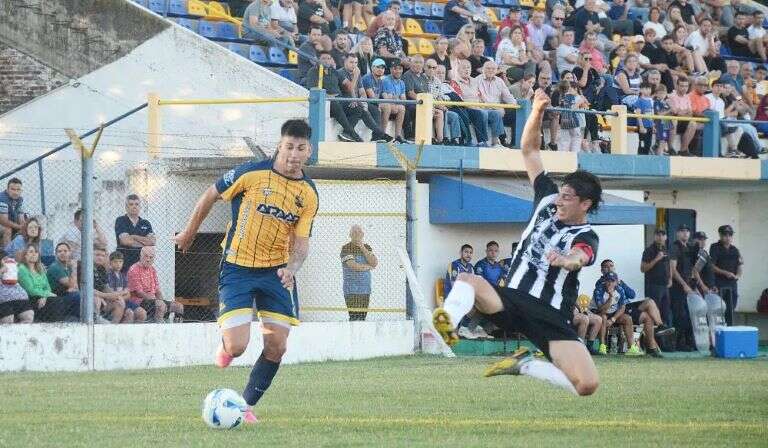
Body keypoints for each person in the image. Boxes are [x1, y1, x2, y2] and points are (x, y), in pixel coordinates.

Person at [433, 89, 601, 396]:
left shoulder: (586, 235)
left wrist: (567, 261)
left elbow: (582, 256)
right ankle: (448, 325)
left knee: (587, 385)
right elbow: (529, 151)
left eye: (568, 197)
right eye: (561, 193)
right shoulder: (547, 198)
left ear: (585, 204)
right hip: (513, 298)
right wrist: (536, 111)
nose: (560, 199)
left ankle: (525, 364)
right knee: (469, 279)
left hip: (550, 315)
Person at [174, 119, 319, 422]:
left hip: (277, 272)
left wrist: (293, 268)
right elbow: (210, 194)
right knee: (238, 347)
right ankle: (228, 346)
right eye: (289, 146)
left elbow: (302, 243)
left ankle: (244, 405)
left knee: (277, 346)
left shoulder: (308, 194)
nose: (293, 154)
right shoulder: (251, 173)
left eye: (300, 148)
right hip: (238, 267)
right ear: (280, 145)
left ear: (309, 151)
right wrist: (189, 233)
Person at [337, 53, 393, 143]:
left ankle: (376, 136)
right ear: (345, 62)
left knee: (374, 109)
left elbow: (362, 91)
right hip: (343, 100)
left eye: (356, 63)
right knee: (360, 109)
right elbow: (349, 88)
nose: (354, 65)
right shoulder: (340, 73)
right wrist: (355, 76)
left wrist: (364, 101)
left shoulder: (356, 73)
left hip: (355, 100)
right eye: (351, 62)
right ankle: (379, 134)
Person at [591, 272, 643, 356]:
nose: (610, 283)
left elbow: (622, 307)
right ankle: (602, 346)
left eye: (612, 281)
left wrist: (613, 319)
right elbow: (601, 310)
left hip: (612, 313)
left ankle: (631, 348)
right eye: (608, 280)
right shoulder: (599, 290)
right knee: (603, 317)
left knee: (627, 318)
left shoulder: (620, 290)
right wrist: (611, 297)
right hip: (598, 312)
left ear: (616, 282)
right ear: (605, 281)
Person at [127, 246, 183, 323]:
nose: (148, 259)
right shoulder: (134, 269)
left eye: (151, 257)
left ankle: (176, 328)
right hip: (139, 301)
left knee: (178, 307)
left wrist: (161, 300)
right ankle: (159, 327)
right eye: (146, 256)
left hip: (153, 300)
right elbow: (139, 292)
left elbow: (157, 290)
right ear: (140, 256)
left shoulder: (152, 270)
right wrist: (157, 301)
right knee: (160, 305)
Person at [340, 225, 378, 321]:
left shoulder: (367, 247)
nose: (356, 234)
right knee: (354, 317)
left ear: (363, 234)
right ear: (350, 235)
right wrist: (368, 267)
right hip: (351, 289)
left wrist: (362, 247)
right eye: (354, 232)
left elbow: (374, 262)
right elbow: (353, 265)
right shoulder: (346, 248)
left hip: (365, 289)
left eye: (359, 232)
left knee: (362, 317)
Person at [669, 224, 696, 351]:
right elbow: (673, 270)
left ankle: (689, 342)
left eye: (687, 231)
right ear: (677, 233)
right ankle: (679, 344)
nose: (685, 233)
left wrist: (692, 286)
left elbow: (692, 269)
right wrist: (684, 285)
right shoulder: (675, 247)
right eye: (682, 231)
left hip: (688, 288)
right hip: (677, 288)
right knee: (680, 316)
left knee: (689, 316)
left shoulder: (690, 248)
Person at [709, 225, 742, 326]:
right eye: (725, 235)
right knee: (718, 310)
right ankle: (718, 334)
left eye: (730, 235)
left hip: (732, 284)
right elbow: (711, 266)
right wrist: (725, 273)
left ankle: (729, 331)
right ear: (720, 235)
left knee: (730, 310)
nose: (728, 237)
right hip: (719, 283)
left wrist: (738, 275)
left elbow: (739, 265)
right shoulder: (715, 247)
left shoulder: (735, 250)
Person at [16, 244, 59, 321]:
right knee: (54, 301)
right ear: (25, 255)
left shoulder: (40, 269)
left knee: (58, 300)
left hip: (43, 297)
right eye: (31, 252)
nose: (34, 254)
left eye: (36, 252)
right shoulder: (22, 268)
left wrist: (45, 297)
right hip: (30, 299)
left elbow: (48, 287)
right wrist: (46, 294)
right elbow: (30, 290)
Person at [115, 194, 155, 273]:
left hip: (142, 263)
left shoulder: (145, 223)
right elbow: (125, 241)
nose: (134, 206)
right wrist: (144, 243)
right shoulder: (121, 220)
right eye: (131, 204)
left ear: (140, 207)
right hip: (125, 264)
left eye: (137, 204)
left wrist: (133, 236)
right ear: (126, 207)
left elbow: (152, 242)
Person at [641, 228, 672, 326]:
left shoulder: (665, 249)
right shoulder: (649, 250)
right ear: (654, 236)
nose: (660, 237)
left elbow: (669, 265)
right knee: (655, 313)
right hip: (654, 286)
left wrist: (670, 278)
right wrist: (656, 259)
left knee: (666, 313)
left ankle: (665, 338)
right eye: (658, 235)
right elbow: (643, 268)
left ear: (666, 237)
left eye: (663, 235)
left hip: (665, 286)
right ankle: (654, 338)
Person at [93, 246, 130, 324]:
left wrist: (117, 296)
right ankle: (95, 322)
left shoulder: (101, 269)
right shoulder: (86, 267)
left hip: (103, 297)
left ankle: (112, 329)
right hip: (93, 298)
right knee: (97, 300)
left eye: (102, 256)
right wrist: (108, 296)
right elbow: (88, 290)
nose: (100, 258)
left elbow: (105, 287)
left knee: (120, 303)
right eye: (97, 255)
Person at [45, 242, 81, 321]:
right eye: (59, 251)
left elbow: (75, 288)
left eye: (65, 251)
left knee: (84, 295)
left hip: (65, 296)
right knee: (78, 296)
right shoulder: (55, 267)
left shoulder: (67, 267)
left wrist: (72, 288)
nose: (62, 253)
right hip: (56, 299)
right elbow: (73, 285)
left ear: (70, 253)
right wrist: (74, 267)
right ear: (56, 254)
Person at [107, 250, 144, 322]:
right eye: (115, 262)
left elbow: (128, 294)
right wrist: (122, 293)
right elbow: (110, 293)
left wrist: (122, 297)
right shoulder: (108, 275)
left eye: (120, 262)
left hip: (124, 300)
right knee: (129, 313)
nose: (118, 264)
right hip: (113, 301)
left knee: (142, 313)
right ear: (110, 263)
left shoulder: (123, 276)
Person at [380, 59, 409, 142]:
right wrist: (396, 99)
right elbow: (386, 98)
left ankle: (398, 136)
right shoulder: (386, 80)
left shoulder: (402, 83)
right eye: (395, 68)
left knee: (402, 108)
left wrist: (394, 98)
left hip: (395, 105)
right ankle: (382, 133)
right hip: (384, 105)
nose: (398, 71)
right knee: (389, 106)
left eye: (400, 69)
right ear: (390, 69)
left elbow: (404, 100)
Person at [0, 252, 34, 324]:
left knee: (28, 315)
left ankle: (22, 334)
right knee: (7, 319)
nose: (5, 261)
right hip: (3, 301)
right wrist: (1, 271)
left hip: (19, 298)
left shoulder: (12, 267)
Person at [0, 178, 25, 248]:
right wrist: (19, 227)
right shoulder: (2, 198)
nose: (15, 192)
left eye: (18, 190)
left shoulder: (19, 199)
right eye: (13, 189)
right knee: (7, 229)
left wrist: (24, 227)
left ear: (21, 191)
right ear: (7, 190)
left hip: (10, 224)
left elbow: (21, 218)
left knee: (31, 229)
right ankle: (7, 256)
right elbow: (3, 221)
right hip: (3, 224)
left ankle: (26, 255)